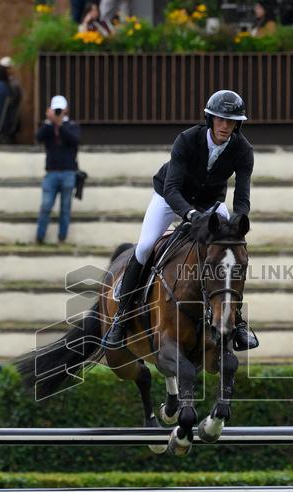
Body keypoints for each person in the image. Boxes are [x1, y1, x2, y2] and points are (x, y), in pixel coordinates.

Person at [103, 90, 259, 352]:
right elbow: (173, 188)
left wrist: (237, 221)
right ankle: (121, 317)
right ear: (210, 119)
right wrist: (190, 215)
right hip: (169, 197)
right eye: (220, 120)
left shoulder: (243, 150)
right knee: (144, 247)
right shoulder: (187, 140)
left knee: (231, 251)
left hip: (209, 203)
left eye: (230, 121)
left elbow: (242, 199)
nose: (224, 126)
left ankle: (238, 322)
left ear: (237, 124)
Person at [35, 95, 80, 244]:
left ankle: (62, 237)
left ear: (66, 109)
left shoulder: (72, 125)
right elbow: (38, 137)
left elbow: (75, 141)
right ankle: (40, 237)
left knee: (65, 208)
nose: (59, 112)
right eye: (56, 110)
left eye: (60, 109)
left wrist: (60, 125)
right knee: (45, 206)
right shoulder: (48, 127)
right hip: (51, 172)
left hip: (68, 172)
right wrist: (49, 122)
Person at [0, 56, 22, 143]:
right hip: (2, 117)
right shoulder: (1, 82)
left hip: (10, 116)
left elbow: (13, 101)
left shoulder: (14, 84)